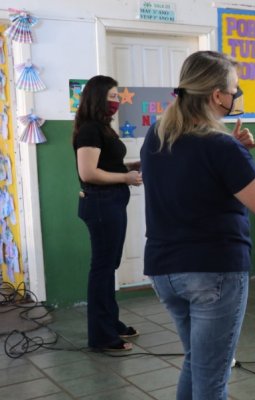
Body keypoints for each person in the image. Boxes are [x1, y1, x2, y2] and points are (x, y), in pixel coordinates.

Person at [141, 51, 255, 399]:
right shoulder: (219, 146)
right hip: (212, 270)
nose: (235, 96)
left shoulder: (158, 134)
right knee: (212, 380)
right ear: (217, 95)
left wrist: (235, 150)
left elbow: (198, 176)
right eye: (234, 89)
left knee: (196, 361)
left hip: (164, 269)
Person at [73, 75, 144, 352]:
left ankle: (111, 323)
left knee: (109, 265)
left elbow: (108, 164)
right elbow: (88, 173)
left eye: (117, 96)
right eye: (111, 96)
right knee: (102, 269)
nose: (115, 101)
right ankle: (101, 336)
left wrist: (132, 165)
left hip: (111, 202)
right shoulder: (90, 129)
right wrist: (126, 178)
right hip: (101, 203)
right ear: (97, 97)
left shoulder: (102, 128)